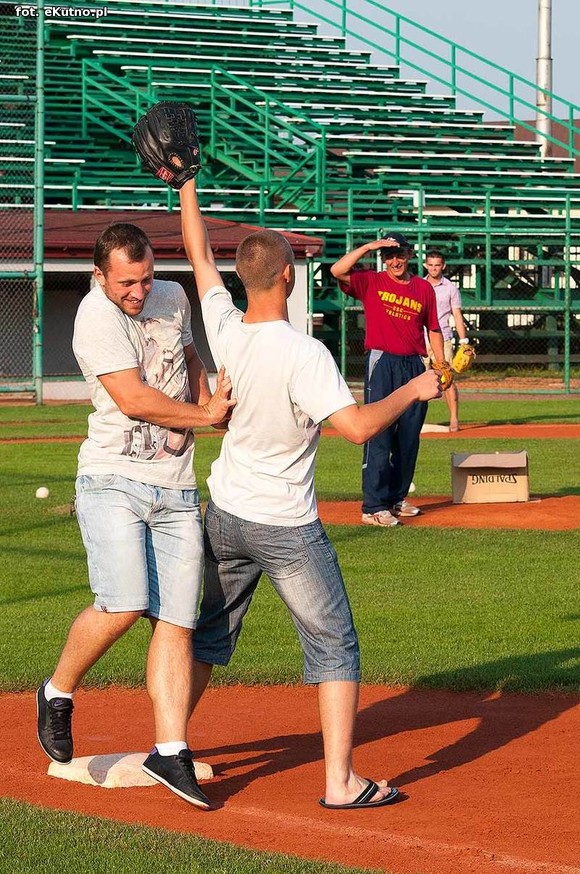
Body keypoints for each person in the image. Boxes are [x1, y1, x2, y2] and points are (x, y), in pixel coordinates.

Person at [178, 179, 442, 810]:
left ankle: (168, 748)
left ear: (243, 279)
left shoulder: (225, 328)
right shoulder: (306, 352)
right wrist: (414, 389)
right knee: (334, 644)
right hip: (286, 525)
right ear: (289, 278)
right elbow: (356, 428)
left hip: (226, 513)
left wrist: (185, 184)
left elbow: (198, 255)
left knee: (208, 636)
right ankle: (340, 782)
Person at [36, 222, 235, 810]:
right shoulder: (94, 316)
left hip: (175, 487)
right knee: (123, 604)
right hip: (112, 479)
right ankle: (57, 690)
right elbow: (133, 398)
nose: (139, 291)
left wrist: (205, 396)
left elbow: (190, 355)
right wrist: (206, 417)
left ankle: (170, 751)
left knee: (176, 620)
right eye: (127, 282)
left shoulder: (171, 297)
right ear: (100, 276)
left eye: (146, 278)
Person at [330, 233, 445, 528]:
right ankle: (374, 506)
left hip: (414, 364)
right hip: (383, 362)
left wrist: (441, 364)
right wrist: (370, 247)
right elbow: (337, 270)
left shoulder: (423, 288)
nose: (395, 261)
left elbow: (433, 328)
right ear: (383, 258)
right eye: (389, 256)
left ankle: (396, 497)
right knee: (378, 433)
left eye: (400, 255)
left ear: (409, 256)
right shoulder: (372, 281)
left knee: (409, 437)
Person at [424, 249, 469, 432]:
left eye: (437, 265)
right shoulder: (418, 285)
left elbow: (457, 315)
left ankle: (454, 419)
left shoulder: (451, 288)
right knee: (417, 381)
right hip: (421, 339)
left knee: (447, 379)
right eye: (430, 265)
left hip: (443, 338)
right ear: (425, 265)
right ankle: (414, 421)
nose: (434, 268)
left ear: (443, 266)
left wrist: (464, 340)